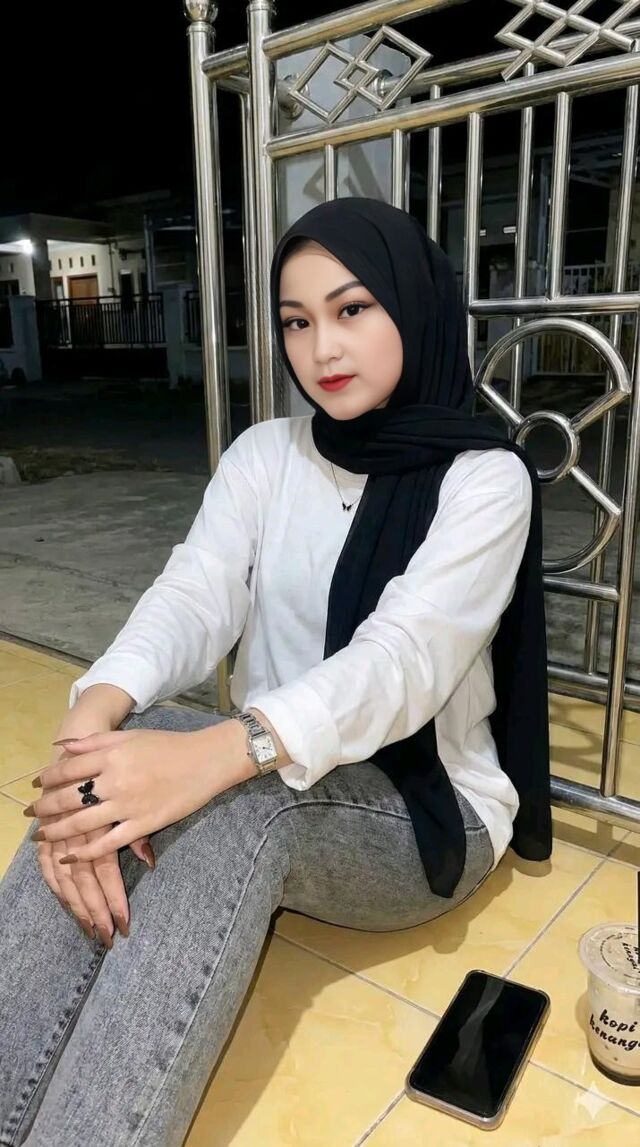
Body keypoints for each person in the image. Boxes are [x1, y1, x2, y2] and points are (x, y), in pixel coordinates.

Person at [0, 198, 551, 1147]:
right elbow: (194, 593)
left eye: (352, 309)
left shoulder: (484, 479)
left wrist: (224, 752)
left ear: (412, 306)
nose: (320, 348)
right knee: (110, 770)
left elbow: (400, 662)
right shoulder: (266, 455)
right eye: (296, 321)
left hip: (421, 803)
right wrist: (90, 725)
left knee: (234, 806)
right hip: (269, 761)